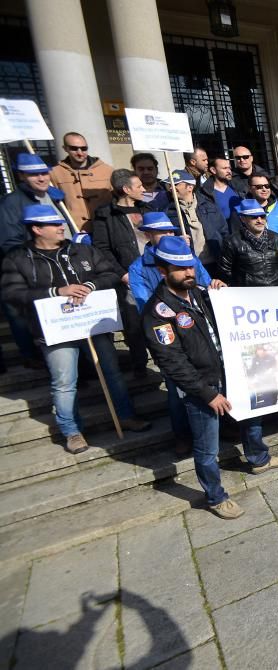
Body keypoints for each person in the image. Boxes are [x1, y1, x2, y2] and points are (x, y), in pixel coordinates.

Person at [143, 236, 278, 519]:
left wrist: (220, 291)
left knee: (251, 417)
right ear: (163, 271)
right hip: (202, 387)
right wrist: (207, 393)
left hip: (230, 373)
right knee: (207, 447)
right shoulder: (158, 312)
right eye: (180, 269)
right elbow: (172, 363)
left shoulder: (200, 293)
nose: (188, 273)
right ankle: (215, 496)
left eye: (190, 266)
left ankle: (259, 459)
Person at [1, 204, 150, 454]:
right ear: (37, 229)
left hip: (92, 325)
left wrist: (90, 285)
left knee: (111, 372)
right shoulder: (18, 259)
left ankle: (125, 415)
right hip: (54, 331)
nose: (61, 227)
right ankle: (71, 431)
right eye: (54, 224)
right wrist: (56, 292)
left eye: (60, 222)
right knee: (64, 381)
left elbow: (110, 275)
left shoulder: (81, 250)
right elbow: (12, 294)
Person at [128, 216, 222, 456]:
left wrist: (215, 289)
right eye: (161, 233)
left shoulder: (187, 256)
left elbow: (205, 285)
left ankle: (223, 426)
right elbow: (144, 304)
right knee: (176, 389)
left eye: (170, 231)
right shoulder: (139, 268)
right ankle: (182, 436)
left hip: (199, 330)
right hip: (171, 331)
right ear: (148, 234)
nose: (168, 236)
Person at [0, 154, 67, 369]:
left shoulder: (56, 197)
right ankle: (32, 355)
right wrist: (29, 262)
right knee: (25, 315)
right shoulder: (11, 203)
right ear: (21, 176)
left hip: (59, 261)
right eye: (33, 174)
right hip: (30, 266)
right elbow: (10, 241)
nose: (40, 178)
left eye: (43, 172)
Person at [91, 169, 153, 377]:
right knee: (134, 324)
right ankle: (140, 364)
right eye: (139, 186)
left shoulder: (147, 209)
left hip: (154, 273)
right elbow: (102, 249)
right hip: (129, 277)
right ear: (126, 189)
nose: (144, 189)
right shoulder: (105, 215)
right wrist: (121, 273)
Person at [165, 170, 228, 276]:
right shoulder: (168, 212)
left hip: (215, 263)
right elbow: (166, 240)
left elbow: (223, 231)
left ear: (190, 187)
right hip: (189, 266)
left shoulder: (209, 206)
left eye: (175, 184)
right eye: (170, 185)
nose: (171, 188)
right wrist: (177, 241)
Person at [48, 132, 113, 230]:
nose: (80, 153)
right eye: (74, 148)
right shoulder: (55, 173)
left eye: (84, 148)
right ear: (65, 148)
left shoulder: (107, 170)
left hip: (106, 227)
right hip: (76, 229)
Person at [220, 199, 278, 287]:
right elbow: (225, 272)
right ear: (243, 219)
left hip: (276, 290)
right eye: (254, 217)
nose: (259, 220)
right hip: (248, 294)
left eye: (262, 216)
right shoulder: (232, 242)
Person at [245, 174, 278, 244]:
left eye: (267, 186)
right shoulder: (242, 211)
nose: (264, 189)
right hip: (253, 253)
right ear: (250, 189)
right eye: (259, 187)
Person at [202, 156, 241, 222]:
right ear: (213, 170)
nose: (229, 171)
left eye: (229, 168)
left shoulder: (237, 186)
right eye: (225, 168)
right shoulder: (206, 193)